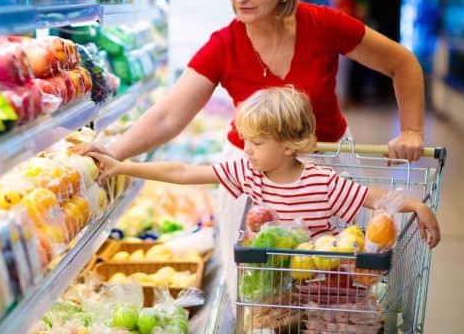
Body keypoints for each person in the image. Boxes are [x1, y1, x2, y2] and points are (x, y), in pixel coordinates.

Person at [76, 0, 425, 162]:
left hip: (327, 167)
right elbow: (169, 116)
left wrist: (411, 130)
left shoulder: (323, 24)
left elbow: (402, 63)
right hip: (253, 176)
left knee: (329, 275)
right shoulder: (224, 45)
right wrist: (112, 151)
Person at [88, 87, 440, 247]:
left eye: (256, 143)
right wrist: (122, 167)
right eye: (246, 141)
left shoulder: (323, 182)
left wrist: (417, 205)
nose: (247, 149)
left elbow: (371, 197)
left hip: (316, 292)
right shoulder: (248, 172)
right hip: (267, 292)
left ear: (288, 146)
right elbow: (183, 172)